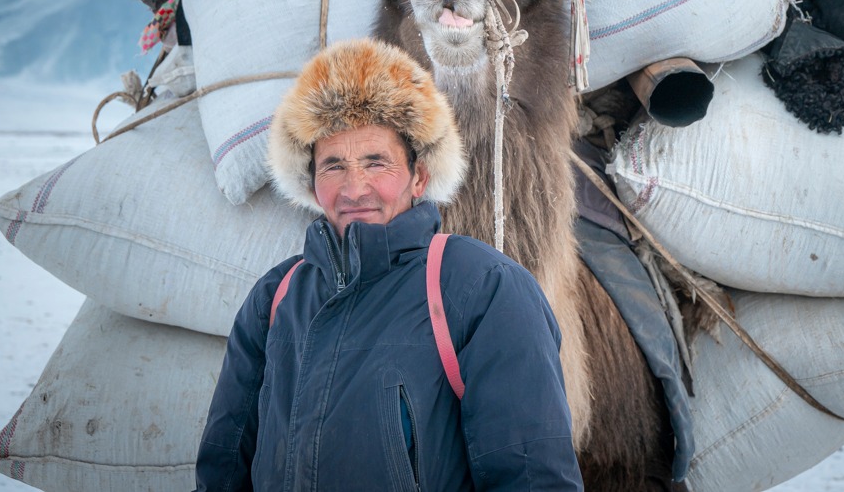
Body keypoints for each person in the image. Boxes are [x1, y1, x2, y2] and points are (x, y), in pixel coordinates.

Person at [195, 38, 583, 491]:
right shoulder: (276, 297)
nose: (354, 188)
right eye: (334, 165)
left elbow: (531, 479)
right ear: (311, 183)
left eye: (376, 162)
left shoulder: (479, 286)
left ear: (419, 176)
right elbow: (223, 468)